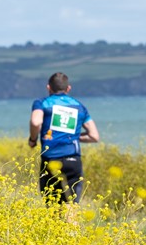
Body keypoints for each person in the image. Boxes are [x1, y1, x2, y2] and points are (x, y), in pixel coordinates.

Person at [29, 73, 100, 212]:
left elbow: (36, 122)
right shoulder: (79, 106)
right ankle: (72, 233)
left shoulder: (42, 103)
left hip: (51, 158)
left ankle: (55, 233)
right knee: (71, 206)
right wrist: (74, 136)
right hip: (73, 160)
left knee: (52, 206)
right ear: (68, 89)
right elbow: (94, 136)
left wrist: (33, 140)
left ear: (48, 88)